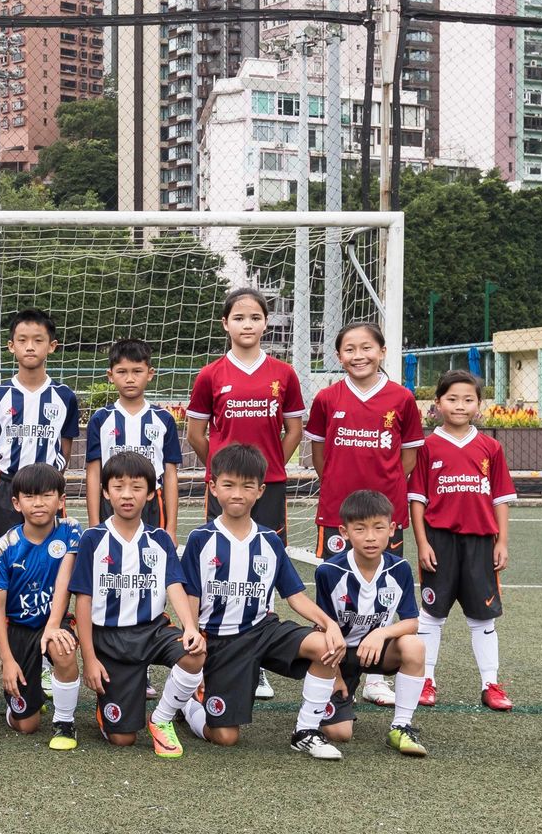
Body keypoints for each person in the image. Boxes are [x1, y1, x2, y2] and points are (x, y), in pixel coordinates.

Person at [177, 443, 348, 759]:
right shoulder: (201, 539)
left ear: (260, 490)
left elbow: (295, 597)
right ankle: (188, 704)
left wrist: (329, 624)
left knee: (326, 646)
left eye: (247, 486)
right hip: (221, 641)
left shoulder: (270, 540)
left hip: (263, 629)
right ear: (213, 488)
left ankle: (306, 731)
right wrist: (191, 630)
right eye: (229, 485)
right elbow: (191, 594)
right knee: (225, 737)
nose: (237, 493)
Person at [185, 287, 305, 701]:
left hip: (266, 486)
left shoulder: (283, 374)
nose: (247, 325)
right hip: (226, 489)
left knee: (263, 568)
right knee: (219, 565)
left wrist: (272, 466)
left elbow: (293, 430)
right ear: (226, 324)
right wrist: (220, 469)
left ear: (266, 323)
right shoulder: (210, 374)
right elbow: (197, 433)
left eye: (255, 317)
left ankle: (256, 658)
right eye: (239, 318)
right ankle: (214, 649)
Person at [304, 321, 424, 707]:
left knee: (384, 591)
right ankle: (334, 667)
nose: (359, 355)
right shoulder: (327, 399)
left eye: (367, 348)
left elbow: (408, 456)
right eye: (350, 349)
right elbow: (320, 455)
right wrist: (337, 483)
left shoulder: (401, 399)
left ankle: (375, 675)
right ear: (339, 356)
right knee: (334, 589)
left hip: (386, 510)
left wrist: (387, 487)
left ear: (382, 352)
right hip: (337, 510)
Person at [71, 452, 206, 758]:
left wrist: (191, 628)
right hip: (110, 638)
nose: (127, 495)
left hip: (152, 631)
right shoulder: (92, 539)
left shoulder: (159, 540)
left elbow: (174, 585)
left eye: (136, 487)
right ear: (106, 492)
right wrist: (89, 659)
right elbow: (83, 600)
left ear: (150, 493)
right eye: (118, 487)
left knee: (195, 653)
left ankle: (162, 719)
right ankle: (108, 712)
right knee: (123, 739)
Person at [407, 370, 516, 712]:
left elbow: (500, 499)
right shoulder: (427, 447)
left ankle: (490, 683)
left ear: (479, 405)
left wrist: (502, 542)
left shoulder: (490, 447)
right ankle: (426, 680)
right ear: (437, 403)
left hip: (480, 543)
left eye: (468, 399)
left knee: (483, 618)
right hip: (439, 541)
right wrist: (422, 543)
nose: (460, 405)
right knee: (431, 614)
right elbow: (417, 500)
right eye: (452, 399)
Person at [314, 490, 429, 757]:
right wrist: (335, 677)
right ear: (344, 532)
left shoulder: (399, 568)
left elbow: (411, 622)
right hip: (338, 655)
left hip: (377, 652)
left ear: (391, 530)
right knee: (339, 734)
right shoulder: (329, 572)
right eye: (360, 528)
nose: (370, 537)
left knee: (414, 646)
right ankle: (338, 694)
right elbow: (322, 629)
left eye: (378, 528)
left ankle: (401, 726)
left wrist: (381, 634)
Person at [0, 462, 83, 750]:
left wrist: (53, 625)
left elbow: (65, 583)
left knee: (62, 647)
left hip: (53, 621)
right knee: (26, 726)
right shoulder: (5, 547)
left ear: (61, 500)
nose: (38, 503)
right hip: (20, 629)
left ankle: (64, 722)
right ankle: (22, 704)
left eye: (46, 496)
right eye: (29, 496)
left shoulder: (71, 531)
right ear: (16, 503)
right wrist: (7, 660)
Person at [0, 309, 80, 539]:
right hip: (9, 486)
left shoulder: (64, 396)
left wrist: (52, 479)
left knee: (52, 554)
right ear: (11, 346)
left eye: (38, 340)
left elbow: (65, 444)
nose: (30, 346)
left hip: (48, 489)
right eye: (22, 340)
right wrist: (1, 482)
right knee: (7, 552)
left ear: (52, 346)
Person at [85, 338, 182, 539]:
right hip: (111, 502)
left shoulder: (163, 419)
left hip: (152, 502)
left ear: (150, 374)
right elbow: (94, 473)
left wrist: (171, 529)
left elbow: (170, 474)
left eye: (137, 371)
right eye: (122, 372)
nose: (130, 379)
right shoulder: (100, 419)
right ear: (110, 376)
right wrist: (94, 524)